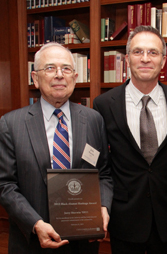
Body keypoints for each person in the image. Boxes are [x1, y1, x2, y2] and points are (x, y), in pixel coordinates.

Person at [0, 42, 113, 254]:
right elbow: (5, 185)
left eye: (66, 69)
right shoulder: (10, 124)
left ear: (75, 78)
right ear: (35, 78)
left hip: (83, 243)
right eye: (50, 68)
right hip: (31, 243)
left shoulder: (93, 120)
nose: (59, 75)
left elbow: (104, 174)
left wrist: (103, 207)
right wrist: (35, 224)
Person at [93, 25, 167, 254]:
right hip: (125, 217)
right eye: (138, 52)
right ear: (127, 59)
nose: (145, 59)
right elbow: (102, 163)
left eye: (153, 53)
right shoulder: (104, 104)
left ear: (164, 61)